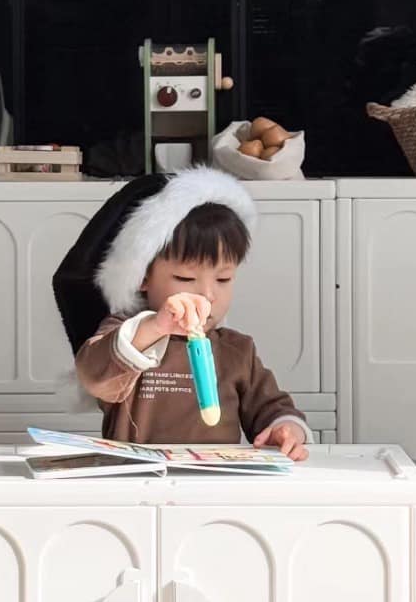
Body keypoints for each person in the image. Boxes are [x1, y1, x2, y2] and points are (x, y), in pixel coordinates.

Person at [52, 166, 310, 459]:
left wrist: (286, 430)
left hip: (215, 478)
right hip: (137, 477)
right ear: (142, 277)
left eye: (223, 279)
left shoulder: (237, 351)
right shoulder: (128, 336)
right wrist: (155, 327)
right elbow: (94, 376)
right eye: (186, 278)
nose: (208, 295)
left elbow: (273, 408)